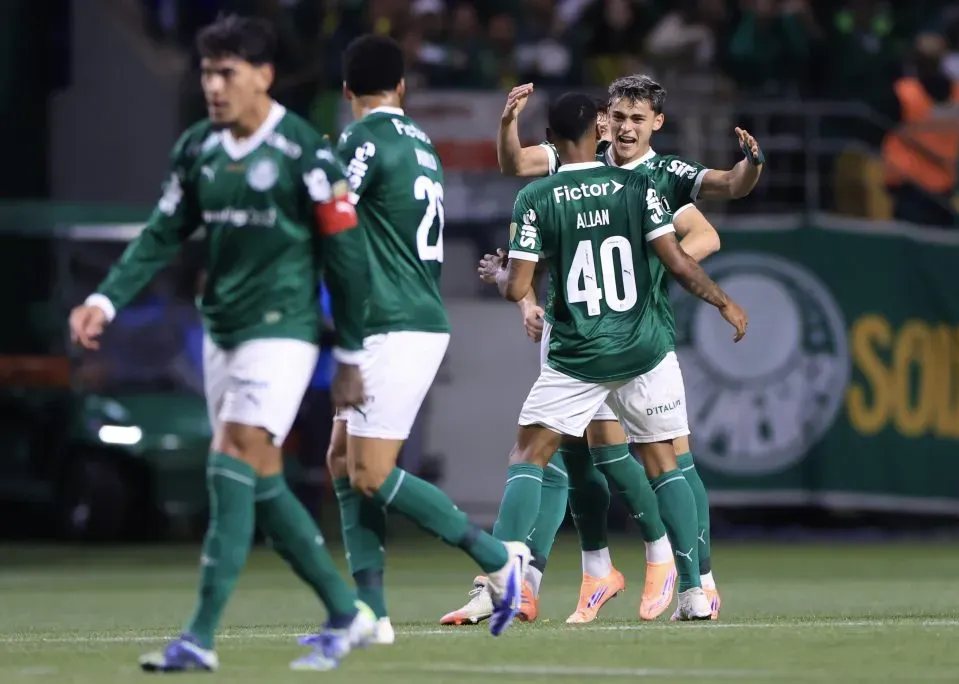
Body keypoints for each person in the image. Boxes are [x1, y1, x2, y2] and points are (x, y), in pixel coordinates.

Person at [68, 15, 376, 672]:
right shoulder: (197, 149)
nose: (212, 85)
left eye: (226, 72)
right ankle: (348, 612)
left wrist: (350, 353)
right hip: (223, 333)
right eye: (206, 72)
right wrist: (104, 298)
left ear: (263, 77)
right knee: (256, 477)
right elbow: (160, 232)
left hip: (285, 331)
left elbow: (346, 257)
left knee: (229, 455)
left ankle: (200, 636)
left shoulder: (304, 153)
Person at [442, 75, 763, 626]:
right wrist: (721, 301)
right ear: (601, 125)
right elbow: (515, 163)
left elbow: (708, 226)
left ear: (655, 123)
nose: (624, 127)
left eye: (636, 118)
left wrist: (750, 167)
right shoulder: (619, 181)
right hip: (633, 341)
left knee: (585, 457)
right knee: (606, 456)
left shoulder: (656, 176)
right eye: (617, 117)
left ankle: (662, 571)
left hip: (589, 344)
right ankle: (616, 573)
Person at [324, 34, 531, 643]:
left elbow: (333, 212)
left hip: (394, 322)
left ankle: (497, 560)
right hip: (401, 317)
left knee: (368, 473)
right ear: (403, 88)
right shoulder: (420, 143)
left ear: (346, 91)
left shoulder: (362, 139)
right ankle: (372, 616)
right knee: (341, 461)